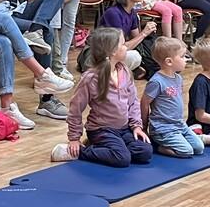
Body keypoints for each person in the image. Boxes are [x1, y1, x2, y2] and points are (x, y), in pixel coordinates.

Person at [52, 28, 152, 167]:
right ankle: (82, 151)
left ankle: (108, 147)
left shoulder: (125, 71)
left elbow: (133, 101)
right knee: (122, 159)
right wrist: (74, 138)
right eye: (122, 44)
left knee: (145, 151)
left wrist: (136, 126)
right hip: (101, 129)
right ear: (112, 51)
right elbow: (75, 109)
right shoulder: (91, 78)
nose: (126, 47)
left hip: (123, 129)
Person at [141, 38, 202, 158]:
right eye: (183, 56)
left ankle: (175, 139)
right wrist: (144, 126)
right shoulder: (156, 82)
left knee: (199, 148)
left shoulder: (178, 78)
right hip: (163, 127)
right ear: (169, 61)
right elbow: (144, 103)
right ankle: (157, 146)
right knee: (186, 151)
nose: (186, 60)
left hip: (179, 124)